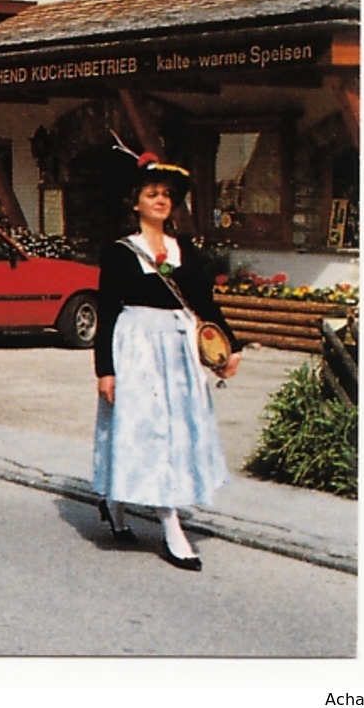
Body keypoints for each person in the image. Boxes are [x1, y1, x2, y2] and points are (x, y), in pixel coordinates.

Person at [92, 150, 243, 571]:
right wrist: (105, 369)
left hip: (177, 349)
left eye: (167, 195)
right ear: (135, 201)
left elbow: (205, 303)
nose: (161, 200)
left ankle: (118, 501)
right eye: (152, 193)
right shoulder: (121, 251)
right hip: (137, 345)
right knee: (144, 430)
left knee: (175, 432)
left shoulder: (185, 248)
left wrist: (231, 347)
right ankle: (170, 524)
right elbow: (107, 311)